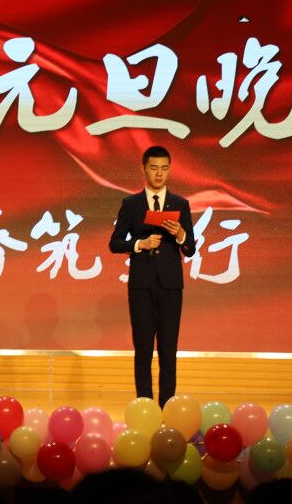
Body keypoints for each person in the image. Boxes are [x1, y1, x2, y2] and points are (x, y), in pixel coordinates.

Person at [108, 145, 195, 407]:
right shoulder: (131, 204)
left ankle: (167, 409)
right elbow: (114, 243)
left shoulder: (180, 204)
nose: (159, 174)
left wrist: (180, 234)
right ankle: (145, 408)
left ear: (170, 170)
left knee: (168, 352)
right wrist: (140, 244)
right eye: (154, 168)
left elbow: (190, 248)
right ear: (143, 169)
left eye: (164, 168)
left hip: (171, 285)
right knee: (143, 351)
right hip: (141, 286)